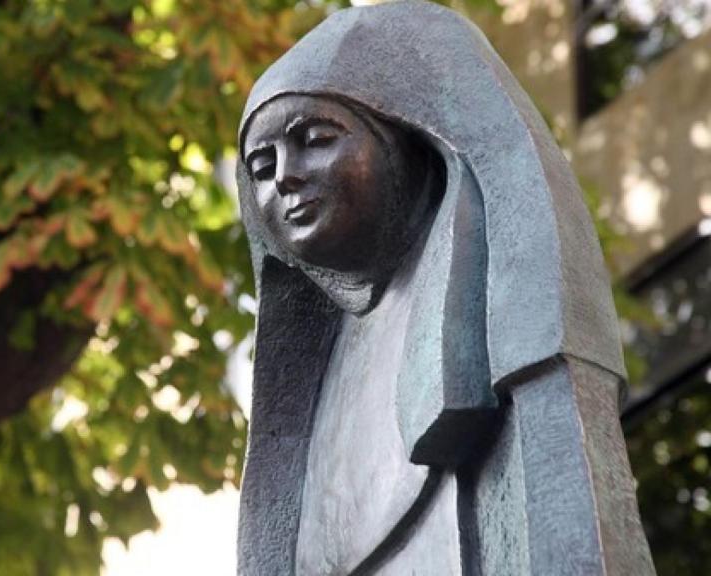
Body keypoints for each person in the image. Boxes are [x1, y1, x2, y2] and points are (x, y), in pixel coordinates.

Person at [235, 2, 655, 575]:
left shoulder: (485, 310)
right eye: (261, 167)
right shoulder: (328, 362)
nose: (284, 175)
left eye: (316, 137)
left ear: (403, 144)